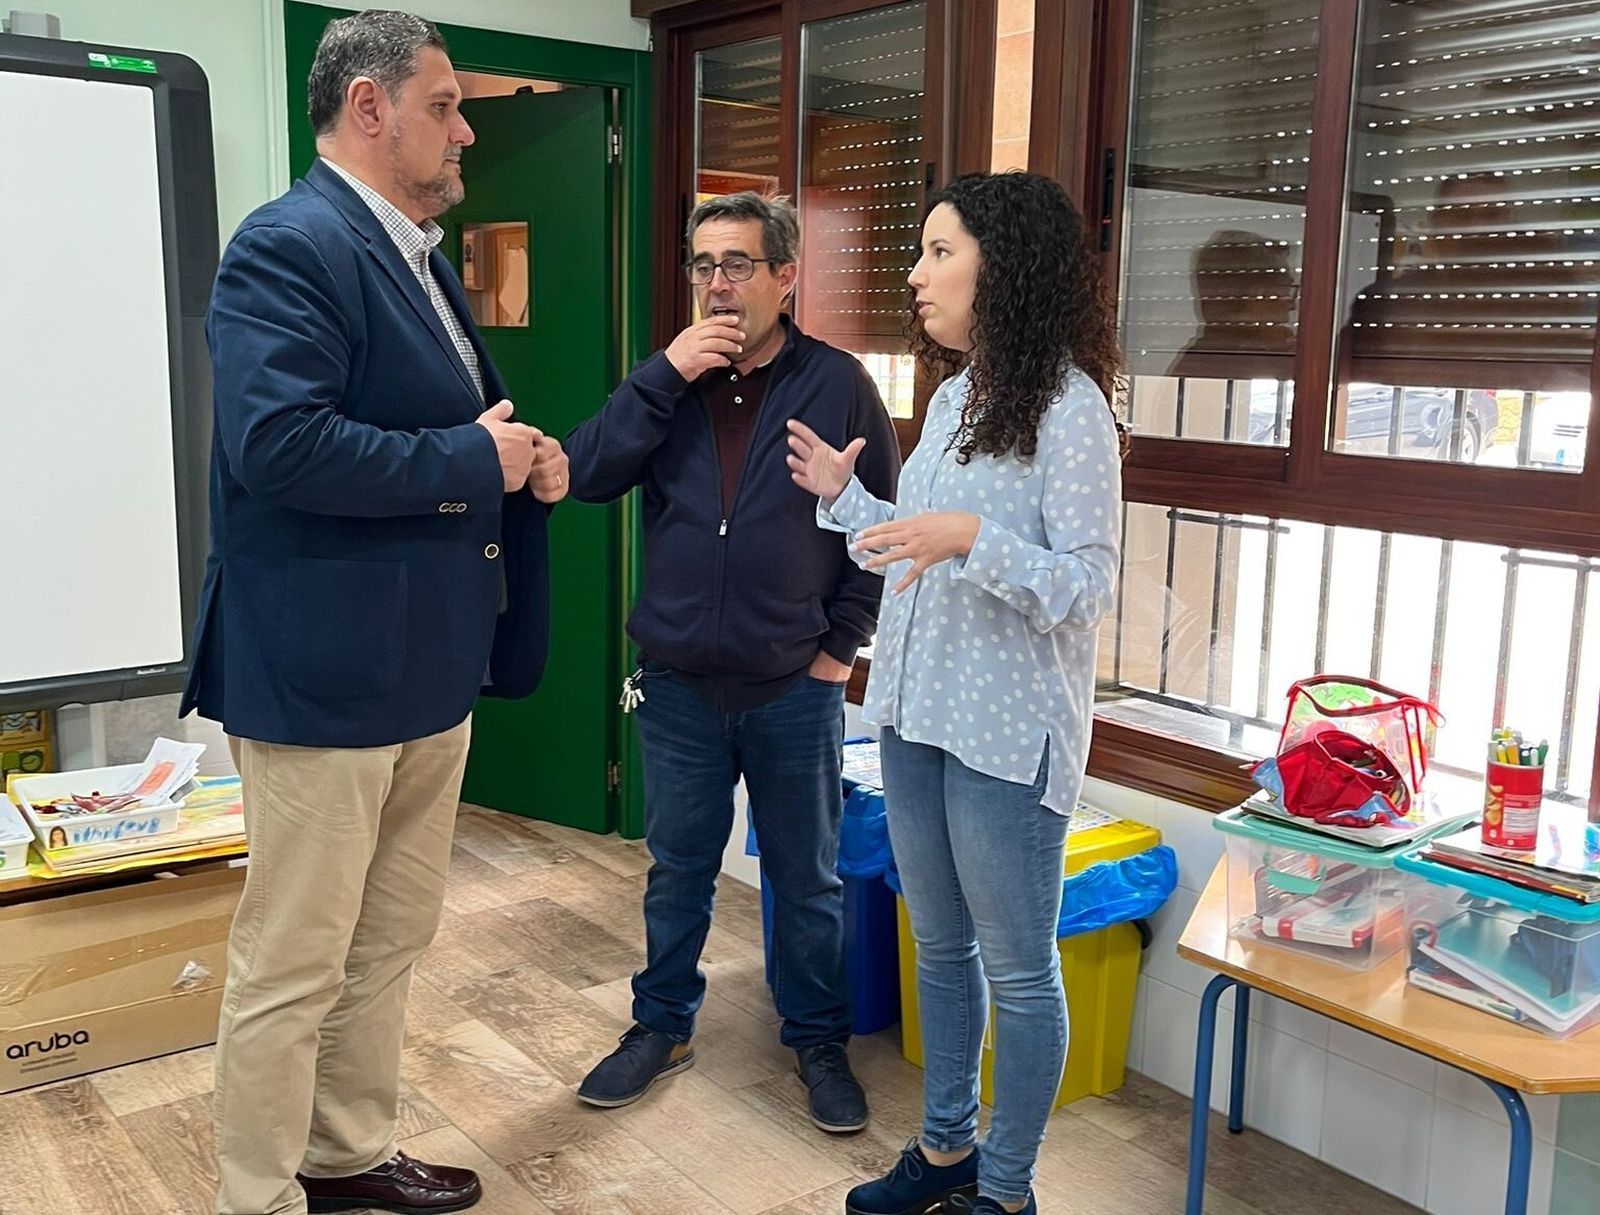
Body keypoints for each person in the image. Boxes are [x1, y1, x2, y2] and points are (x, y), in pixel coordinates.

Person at [179, 11, 567, 1214]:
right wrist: (471, 458)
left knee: (387, 946)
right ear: (368, 108)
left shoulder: (415, 254)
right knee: (292, 964)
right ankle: (257, 1195)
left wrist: (520, 458)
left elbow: (436, 436)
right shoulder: (289, 245)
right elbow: (279, 446)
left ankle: (344, 1157)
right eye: (446, 105)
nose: (464, 130)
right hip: (321, 677)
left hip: (419, 673)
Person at [788, 172, 1123, 1215]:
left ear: (1005, 266)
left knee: (1020, 974)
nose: (915, 270)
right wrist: (850, 505)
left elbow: (1084, 586)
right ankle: (944, 1155)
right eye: (920, 250)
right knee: (938, 948)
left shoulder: (1072, 413)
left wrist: (972, 537)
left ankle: (1007, 1192)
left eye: (941, 251)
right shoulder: (953, 397)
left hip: (1007, 738)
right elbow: (918, 551)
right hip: (915, 713)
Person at [564, 192, 900, 1132]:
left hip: (795, 685)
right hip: (675, 685)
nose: (716, 283)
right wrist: (661, 375)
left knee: (809, 878)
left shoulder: (837, 383)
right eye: (703, 263)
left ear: (785, 277)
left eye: (738, 264)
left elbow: (880, 530)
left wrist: (839, 651)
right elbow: (586, 474)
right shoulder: (665, 381)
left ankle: (817, 1040)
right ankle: (659, 1026)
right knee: (677, 870)